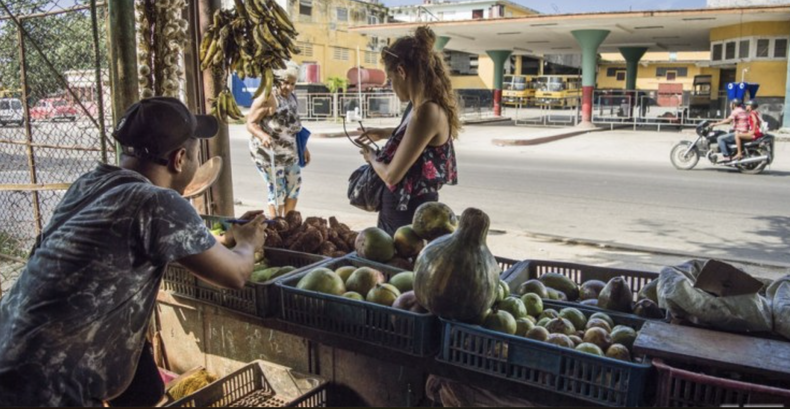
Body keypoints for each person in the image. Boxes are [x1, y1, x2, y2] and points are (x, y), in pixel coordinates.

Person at [0, 97, 268, 407]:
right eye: (195, 157)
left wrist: (216, 244)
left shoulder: (91, 184)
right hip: (46, 387)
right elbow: (235, 275)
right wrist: (248, 242)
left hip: (10, 351)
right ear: (179, 159)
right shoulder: (156, 202)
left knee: (146, 391)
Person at [357, 26, 459, 235]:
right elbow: (415, 139)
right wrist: (384, 132)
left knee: (398, 265)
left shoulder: (427, 111)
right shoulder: (418, 106)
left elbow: (391, 176)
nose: (390, 85)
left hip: (408, 214)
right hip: (405, 210)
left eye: (390, 78)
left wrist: (372, 157)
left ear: (402, 71)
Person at [247, 62, 309, 218]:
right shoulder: (268, 97)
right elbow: (250, 123)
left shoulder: (292, 97)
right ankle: (277, 223)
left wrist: (304, 148)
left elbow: (295, 127)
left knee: (295, 185)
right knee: (277, 189)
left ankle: (289, 221)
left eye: (292, 84)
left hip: (290, 153)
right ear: (277, 80)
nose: (289, 87)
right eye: (285, 82)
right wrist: (263, 135)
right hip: (269, 155)